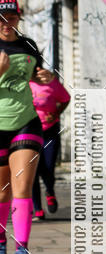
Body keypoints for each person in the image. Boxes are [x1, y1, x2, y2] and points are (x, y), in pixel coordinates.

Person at [0, 0, 54, 254]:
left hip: (26, 122)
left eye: (11, 18)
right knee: (2, 192)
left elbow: (36, 74)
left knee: (22, 185)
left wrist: (43, 77)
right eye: (1, 19)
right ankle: (0, 244)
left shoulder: (28, 46)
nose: (6, 24)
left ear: (18, 17)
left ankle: (22, 250)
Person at [30, 74, 71, 220]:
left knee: (48, 167)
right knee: (32, 172)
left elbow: (65, 99)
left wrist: (55, 113)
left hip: (49, 131)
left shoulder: (51, 82)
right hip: (30, 131)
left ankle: (49, 191)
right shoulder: (23, 82)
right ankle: (38, 210)